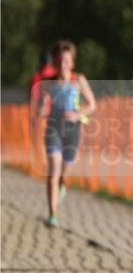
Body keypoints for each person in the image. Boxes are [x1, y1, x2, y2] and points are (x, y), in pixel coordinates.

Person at [37, 40, 96, 227]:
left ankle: (63, 184)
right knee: (53, 168)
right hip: (53, 129)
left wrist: (77, 114)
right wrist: (41, 108)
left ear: (72, 63)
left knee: (64, 169)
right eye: (59, 61)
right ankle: (52, 214)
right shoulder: (48, 83)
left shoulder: (79, 81)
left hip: (72, 130)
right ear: (54, 63)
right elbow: (40, 106)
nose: (63, 65)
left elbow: (92, 105)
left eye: (66, 61)